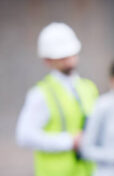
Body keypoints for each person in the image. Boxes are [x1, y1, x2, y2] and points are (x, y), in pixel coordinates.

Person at [16, 22, 98, 176]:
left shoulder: (89, 88)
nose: (68, 59)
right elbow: (24, 136)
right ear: (47, 60)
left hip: (86, 171)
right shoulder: (40, 94)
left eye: (70, 54)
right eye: (62, 56)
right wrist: (68, 141)